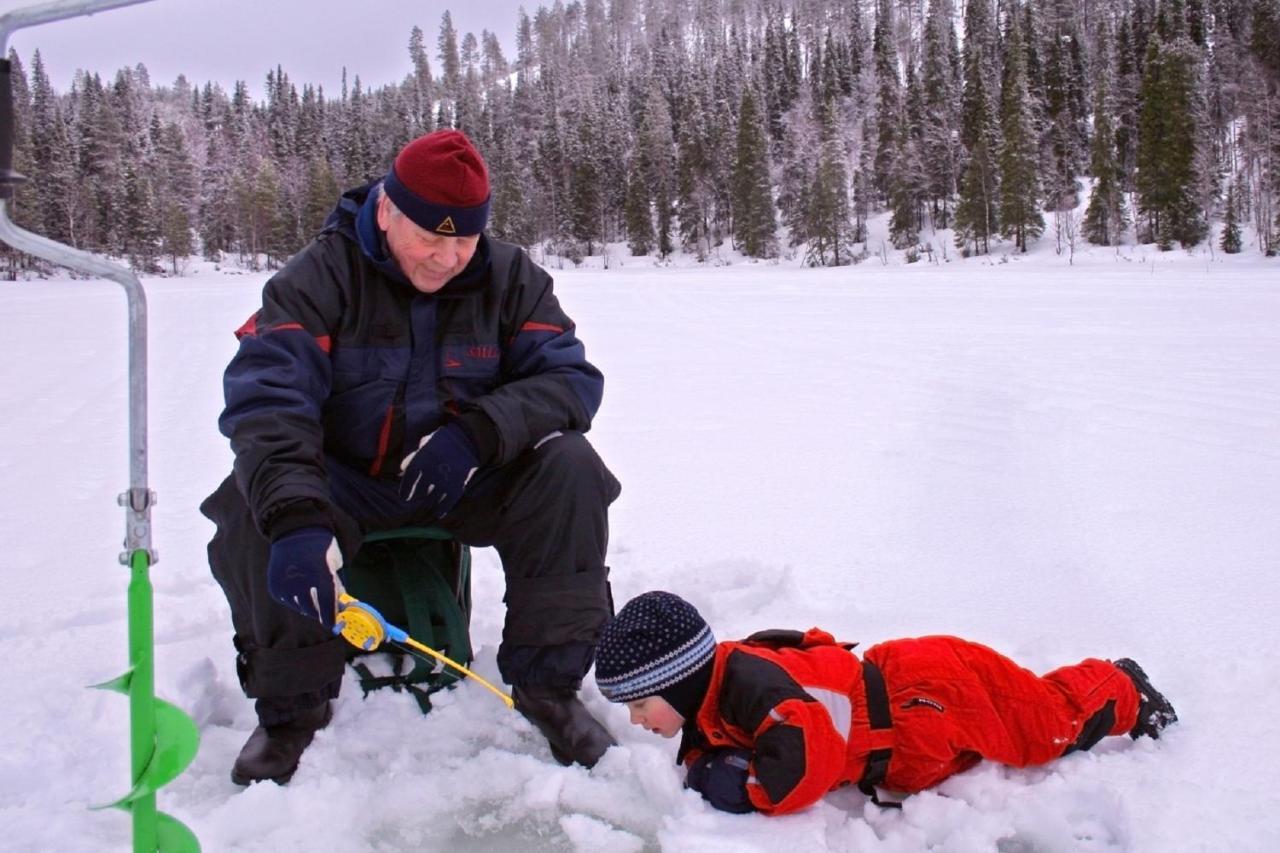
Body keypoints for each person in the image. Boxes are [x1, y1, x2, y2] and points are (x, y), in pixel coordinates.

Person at [201, 128, 621, 786]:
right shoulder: (317, 279)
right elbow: (268, 403)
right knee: (251, 499)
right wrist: (297, 516)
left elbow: (571, 381)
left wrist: (480, 434)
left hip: (462, 479)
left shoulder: (509, 277)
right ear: (388, 209)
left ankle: (549, 685)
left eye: (465, 239)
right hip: (349, 483)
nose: (449, 256)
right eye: (432, 236)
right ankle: (291, 706)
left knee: (570, 467)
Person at [594, 591, 1177, 815]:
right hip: (902, 735)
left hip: (928, 696)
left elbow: (799, 769)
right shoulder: (712, 689)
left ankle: (1121, 686)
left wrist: (734, 786)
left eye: (641, 705)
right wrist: (700, 758)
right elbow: (709, 734)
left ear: (678, 682)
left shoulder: (762, 694)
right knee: (1014, 732)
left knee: (1044, 729)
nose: (636, 720)